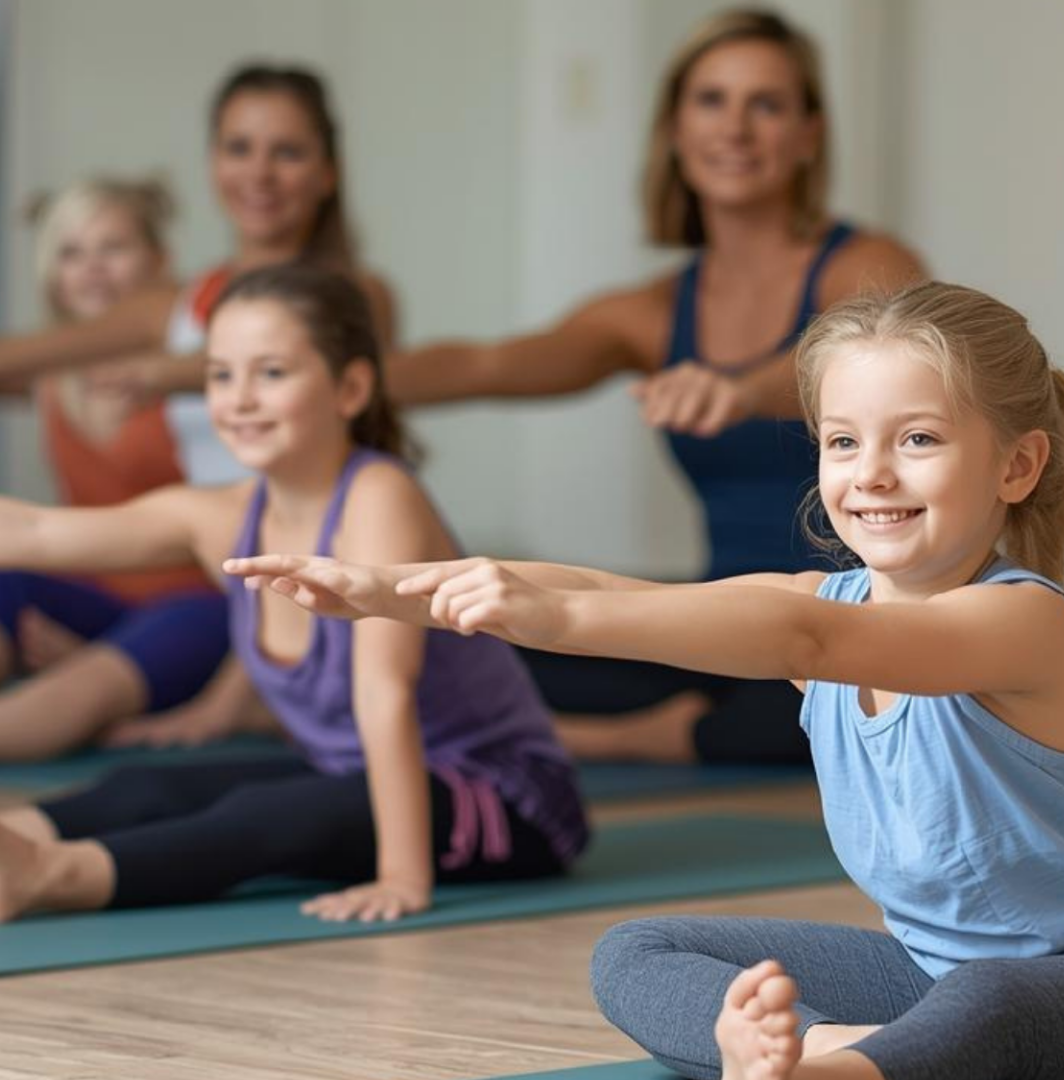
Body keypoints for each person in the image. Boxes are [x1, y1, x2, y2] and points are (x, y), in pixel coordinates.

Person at [229, 281, 1064, 1080]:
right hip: (933, 983)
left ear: (1016, 466)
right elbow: (593, 580)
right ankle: (816, 1057)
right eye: (843, 442)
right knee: (639, 951)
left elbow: (794, 638)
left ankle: (831, 1067)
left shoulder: (1022, 621)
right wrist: (380, 588)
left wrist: (547, 616)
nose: (872, 475)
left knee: (993, 1006)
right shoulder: (844, 602)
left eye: (920, 440)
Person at [386, 8, 923, 768]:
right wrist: (329, 382)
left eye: (765, 104)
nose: (734, 128)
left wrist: (739, 390)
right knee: (492, 640)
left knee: (835, 700)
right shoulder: (651, 313)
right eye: (711, 101)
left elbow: (855, 349)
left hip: (857, 622)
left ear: (809, 135)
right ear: (675, 127)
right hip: (721, 622)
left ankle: (630, 738)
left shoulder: (866, 262)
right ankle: (680, 715)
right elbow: (487, 363)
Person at [0, 265, 585, 924]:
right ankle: (16, 840)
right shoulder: (221, 516)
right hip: (350, 780)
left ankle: (48, 876)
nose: (240, 399)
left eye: (271, 373)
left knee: (271, 814)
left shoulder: (377, 497)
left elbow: (384, 691)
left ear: (351, 387)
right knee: (147, 787)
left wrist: (400, 876)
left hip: (501, 799)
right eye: (221, 375)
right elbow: (39, 531)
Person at [0, 63, 399, 489]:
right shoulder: (174, 304)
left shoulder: (357, 293)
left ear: (327, 174)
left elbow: (290, 354)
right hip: (218, 544)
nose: (259, 174)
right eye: (239, 149)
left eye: (288, 152)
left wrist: (160, 373)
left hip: (322, 542)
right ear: (213, 162)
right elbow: (27, 352)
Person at [0, 178, 239, 761]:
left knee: (78, 689)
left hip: (198, 603)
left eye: (114, 248)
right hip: (90, 595)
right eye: (72, 252)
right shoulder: (48, 376)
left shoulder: (202, 371)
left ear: (159, 262)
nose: (92, 270)